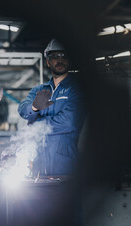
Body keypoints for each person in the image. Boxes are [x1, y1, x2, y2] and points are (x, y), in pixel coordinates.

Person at [18, 38, 85, 176]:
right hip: (39, 165)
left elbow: (69, 122)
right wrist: (35, 107)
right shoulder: (39, 89)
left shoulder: (77, 89)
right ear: (48, 62)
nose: (60, 60)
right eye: (55, 56)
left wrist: (36, 124)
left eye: (64, 56)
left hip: (66, 165)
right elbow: (23, 110)